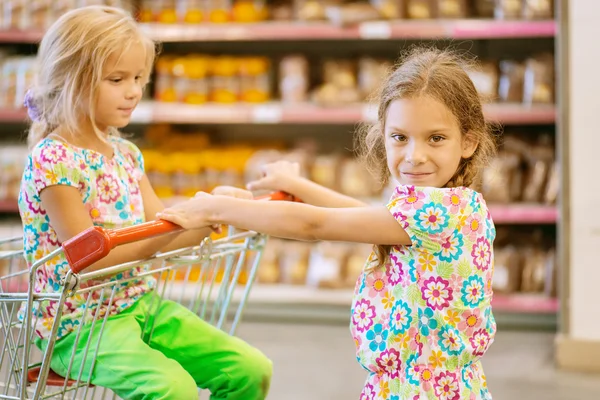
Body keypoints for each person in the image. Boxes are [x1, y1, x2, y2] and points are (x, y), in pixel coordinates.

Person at [158, 47, 499, 399]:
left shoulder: (439, 211)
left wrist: (218, 209)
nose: (415, 155)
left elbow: (316, 226)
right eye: (400, 137)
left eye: (436, 138)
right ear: (382, 135)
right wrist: (298, 186)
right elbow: (361, 216)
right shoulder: (456, 205)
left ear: (468, 141)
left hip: (419, 390)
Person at [18, 6, 271, 400]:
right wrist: (173, 226)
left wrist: (217, 209)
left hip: (138, 304)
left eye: (138, 78)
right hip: (78, 324)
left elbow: (166, 227)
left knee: (249, 370)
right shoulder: (54, 161)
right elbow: (90, 259)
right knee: (171, 390)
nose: (134, 90)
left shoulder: (125, 154)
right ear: (70, 80)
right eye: (117, 79)